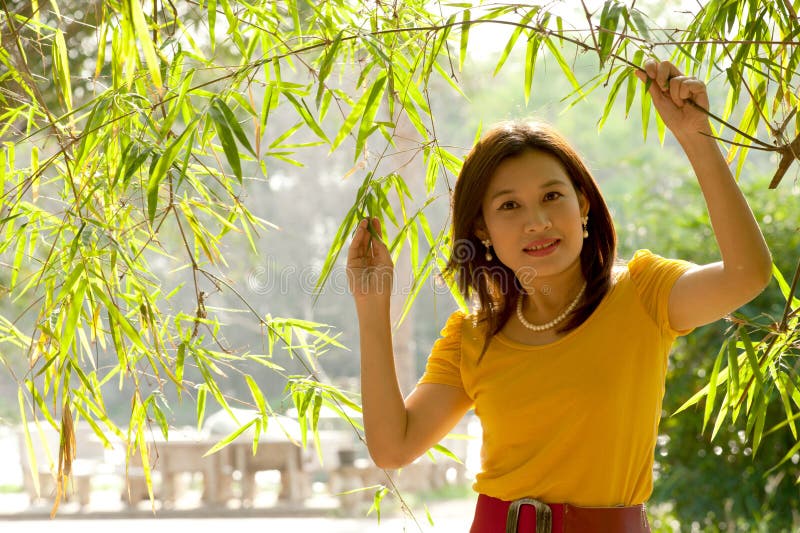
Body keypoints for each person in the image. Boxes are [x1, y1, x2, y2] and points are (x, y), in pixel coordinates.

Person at [346, 59, 772, 532]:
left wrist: (697, 137)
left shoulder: (643, 294)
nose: (537, 222)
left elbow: (746, 274)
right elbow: (393, 447)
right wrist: (372, 307)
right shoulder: (474, 334)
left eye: (552, 196)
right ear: (482, 228)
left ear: (582, 204)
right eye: (510, 205)